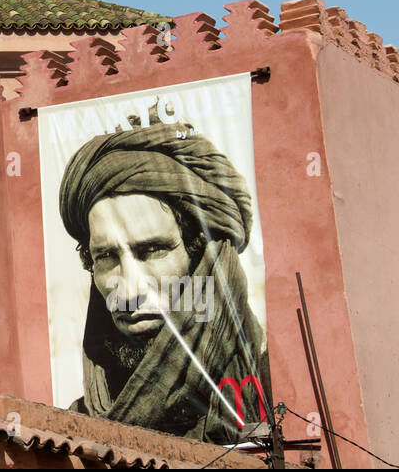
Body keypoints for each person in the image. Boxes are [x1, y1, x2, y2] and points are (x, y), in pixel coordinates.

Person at [57, 120, 268, 443]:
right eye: (107, 257)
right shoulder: (80, 421)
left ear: (199, 256)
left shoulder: (273, 386)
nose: (128, 291)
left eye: (152, 250)